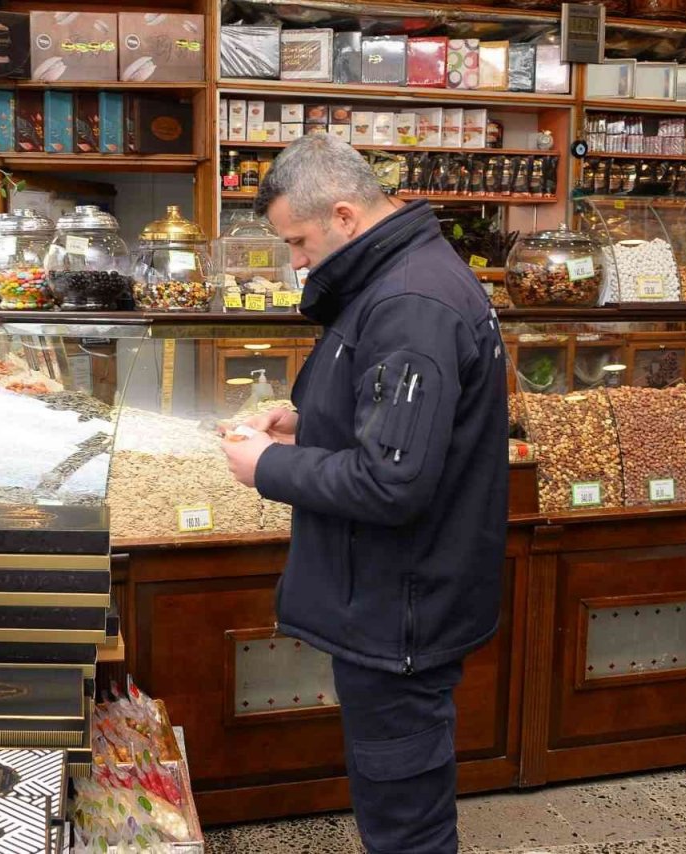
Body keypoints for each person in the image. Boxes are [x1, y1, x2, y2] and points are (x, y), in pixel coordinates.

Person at [221, 134, 508, 853]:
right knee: (396, 798)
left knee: (405, 823)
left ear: (345, 216)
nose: (294, 262)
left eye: (298, 240)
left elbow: (392, 481)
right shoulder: (399, 274)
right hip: (397, 600)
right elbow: (395, 422)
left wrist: (266, 468)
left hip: (400, 612)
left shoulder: (410, 301)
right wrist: (308, 420)